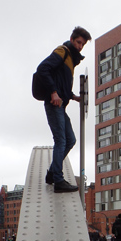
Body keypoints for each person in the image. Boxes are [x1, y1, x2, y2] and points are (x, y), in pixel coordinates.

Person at [35, 26, 92, 193]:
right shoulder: (63, 52)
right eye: (79, 42)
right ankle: (58, 181)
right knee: (61, 140)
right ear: (72, 39)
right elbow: (42, 69)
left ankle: (52, 173)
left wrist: (73, 96)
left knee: (71, 140)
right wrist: (53, 92)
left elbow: (62, 83)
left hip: (61, 106)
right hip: (54, 105)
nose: (80, 46)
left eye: (83, 44)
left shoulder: (71, 59)